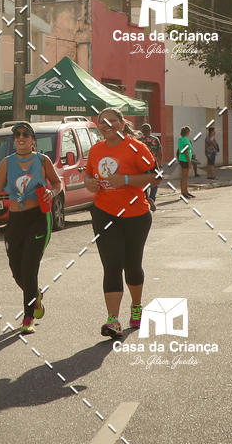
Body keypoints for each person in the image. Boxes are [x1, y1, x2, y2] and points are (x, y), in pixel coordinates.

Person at [85, 108, 161, 340]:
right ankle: (113, 320)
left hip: (135, 215)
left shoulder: (137, 147)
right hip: (104, 213)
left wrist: (126, 180)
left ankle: (136, 307)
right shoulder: (96, 150)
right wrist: (91, 183)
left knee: (132, 264)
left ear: (121, 123)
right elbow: (89, 175)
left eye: (112, 121)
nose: (106, 125)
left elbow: (156, 176)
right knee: (111, 264)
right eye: (101, 122)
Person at [0, 121, 61, 335]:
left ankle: (28, 317)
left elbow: (57, 183)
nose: (20, 137)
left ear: (33, 140)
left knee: (29, 267)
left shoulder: (42, 160)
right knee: (17, 270)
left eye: (25, 134)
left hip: (38, 218)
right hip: (15, 220)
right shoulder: (6, 164)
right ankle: (35, 294)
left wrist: (51, 193)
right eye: (17, 134)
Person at [139, 123, 162, 212]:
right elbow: (160, 153)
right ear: (150, 130)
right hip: (153, 164)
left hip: (141, 165)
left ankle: (147, 198)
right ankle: (152, 198)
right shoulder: (155, 139)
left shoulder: (139, 141)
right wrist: (159, 164)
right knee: (155, 182)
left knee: (144, 184)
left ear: (142, 131)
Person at [177, 126, 195, 198]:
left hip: (182, 159)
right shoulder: (185, 139)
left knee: (184, 177)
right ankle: (183, 193)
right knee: (184, 177)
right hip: (185, 159)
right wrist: (189, 162)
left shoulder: (180, 139)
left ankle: (185, 191)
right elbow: (186, 151)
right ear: (187, 132)